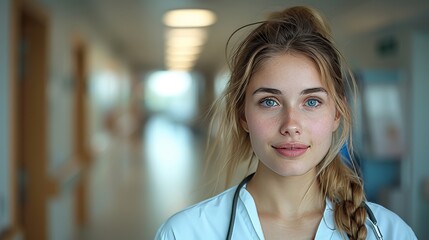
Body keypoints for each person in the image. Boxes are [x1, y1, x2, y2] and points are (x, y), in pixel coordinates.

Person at [155, 6, 417, 240]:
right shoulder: (186, 232)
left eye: (312, 102)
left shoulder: (389, 232)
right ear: (243, 115)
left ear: (337, 114)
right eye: (270, 101)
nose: (291, 125)